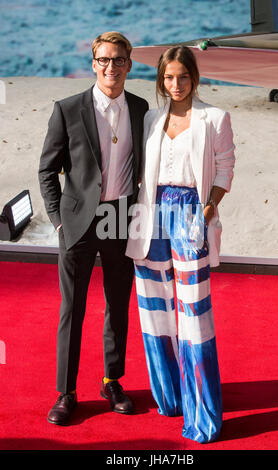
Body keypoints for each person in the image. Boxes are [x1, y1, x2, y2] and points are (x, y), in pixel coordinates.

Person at [126, 46, 235, 443]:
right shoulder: (151, 118)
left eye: (182, 77)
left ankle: (202, 411)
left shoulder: (215, 118)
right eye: (169, 77)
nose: (176, 85)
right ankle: (170, 396)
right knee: (154, 309)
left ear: (194, 76)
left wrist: (206, 211)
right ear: (161, 79)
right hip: (151, 215)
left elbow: (225, 167)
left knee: (194, 315)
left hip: (191, 213)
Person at [39, 31, 149, 425]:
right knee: (74, 307)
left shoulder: (140, 108)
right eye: (103, 60)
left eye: (118, 60)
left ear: (129, 65)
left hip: (120, 216)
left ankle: (111, 380)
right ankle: (66, 392)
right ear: (93, 64)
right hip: (78, 222)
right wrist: (57, 220)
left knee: (117, 304)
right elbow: (47, 170)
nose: (111, 67)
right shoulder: (67, 109)